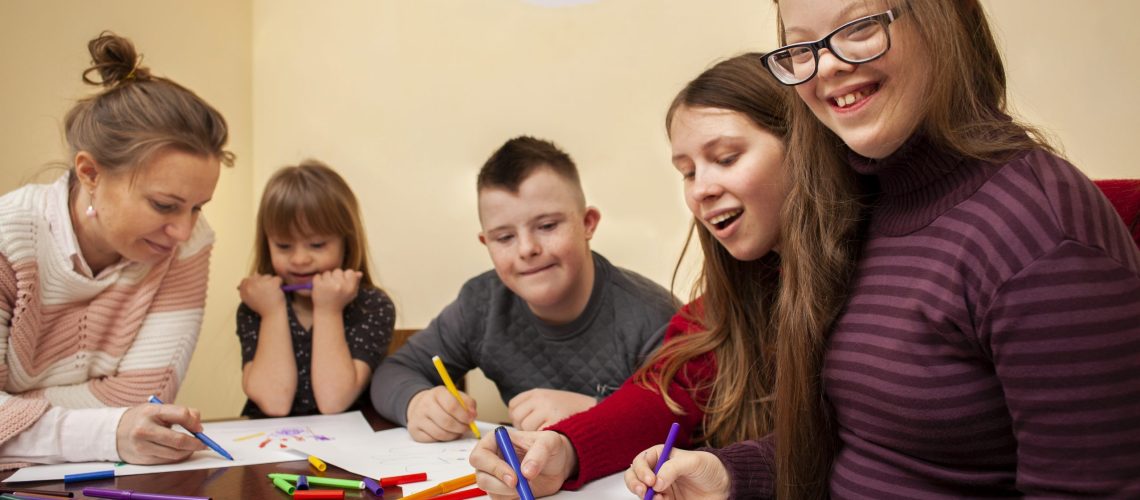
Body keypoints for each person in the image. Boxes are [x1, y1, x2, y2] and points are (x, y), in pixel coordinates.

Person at [628, 1, 1140, 498]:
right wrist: (730, 475)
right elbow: (864, 446)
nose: (826, 66)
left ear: (942, 20)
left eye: (859, 28)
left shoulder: (1039, 229)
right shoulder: (867, 209)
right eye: (799, 46)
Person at [468, 53, 865, 497]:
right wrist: (564, 449)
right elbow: (665, 392)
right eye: (687, 172)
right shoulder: (726, 304)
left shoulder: (873, 282)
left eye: (727, 158)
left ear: (803, 146)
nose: (700, 189)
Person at [0, 32, 233, 467]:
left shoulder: (188, 244)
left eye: (197, 207)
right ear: (90, 172)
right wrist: (107, 429)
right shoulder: (7, 240)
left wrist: (17, 409)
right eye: (164, 205)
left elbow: (139, 397)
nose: (183, 230)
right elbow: (122, 417)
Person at [371, 136, 678, 442]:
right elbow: (393, 372)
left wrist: (596, 413)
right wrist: (416, 403)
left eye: (547, 226)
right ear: (486, 243)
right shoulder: (481, 304)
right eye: (505, 237)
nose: (527, 249)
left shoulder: (654, 317)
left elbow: (698, 424)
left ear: (588, 224)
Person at [237, 160, 395, 417]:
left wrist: (328, 310)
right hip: (272, 448)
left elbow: (333, 401)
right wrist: (272, 312)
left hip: (349, 447)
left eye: (317, 244)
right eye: (284, 246)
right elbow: (274, 403)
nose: (299, 259)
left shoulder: (372, 305)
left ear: (347, 242)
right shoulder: (259, 304)